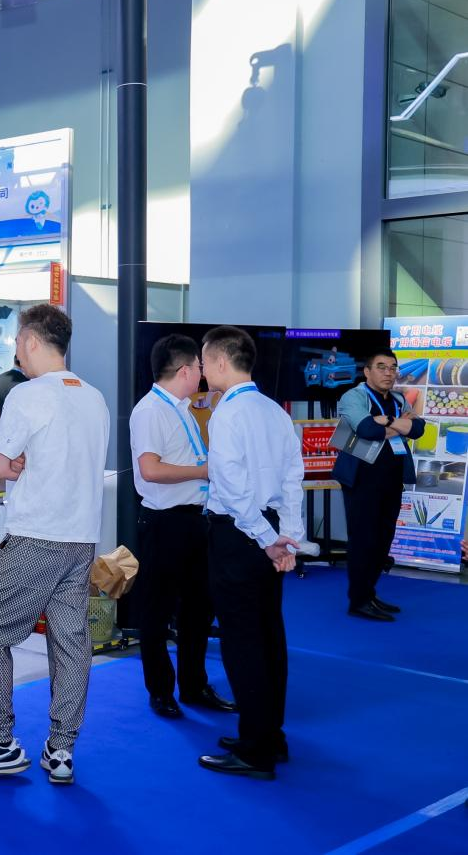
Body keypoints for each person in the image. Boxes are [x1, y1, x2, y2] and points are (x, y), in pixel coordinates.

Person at [0, 304, 108, 786]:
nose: (15, 348)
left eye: (18, 340)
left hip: (36, 534)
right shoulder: (94, 396)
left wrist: (18, 464)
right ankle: (61, 749)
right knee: (71, 642)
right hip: (81, 536)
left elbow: (1, 467)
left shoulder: (28, 394)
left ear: (33, 341)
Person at [198, 325, 304, 781]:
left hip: (241, 535)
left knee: (243, 642)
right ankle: (269, 735)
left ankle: (255, 749)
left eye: (205, 362)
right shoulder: (274, 411)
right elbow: (293, 478)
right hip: (268, 530)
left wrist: (266, 538)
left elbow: (231, 487)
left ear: (221, 362)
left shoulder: (228, 413)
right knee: (268, 635)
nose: (203, 371)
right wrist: (287, 537)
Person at [130, 334, 237, 718]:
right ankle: (161, 691)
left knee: (198, 609)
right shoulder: (150, 410)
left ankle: (194, 685)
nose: (203, 375)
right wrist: (203, 470)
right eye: (199, 367)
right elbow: (150, 469)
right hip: (165, 522)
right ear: (185, 370)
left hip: (195, 520)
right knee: (157, 612)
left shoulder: (183, 409)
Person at [334, 348, 423, 621]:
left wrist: (388, 421)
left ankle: (369, 593)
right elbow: (367, 429)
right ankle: (358, 600)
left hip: (392, 479)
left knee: (383, 540)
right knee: (364, 540)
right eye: (381, 367)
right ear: (367, 371)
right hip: (362, 480)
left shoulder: (397, 399)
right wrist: (400, 425)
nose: (388, 372)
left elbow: (418, 429)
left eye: (393, 367)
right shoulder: (354, 396)